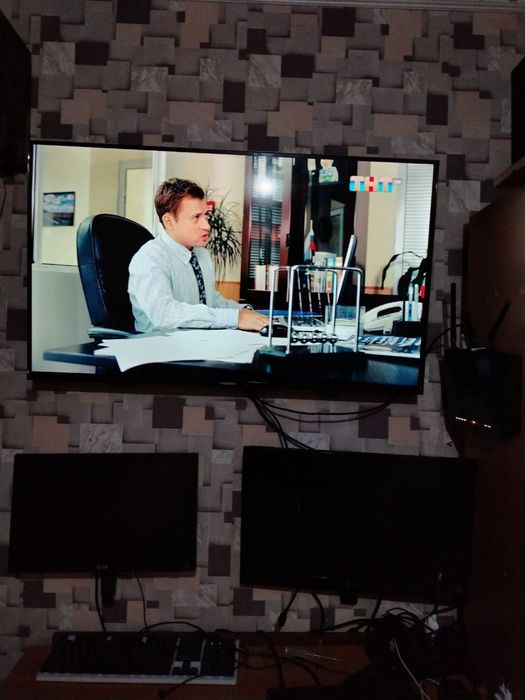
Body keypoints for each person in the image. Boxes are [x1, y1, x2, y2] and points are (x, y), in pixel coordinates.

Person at [128, 178, 269, 333]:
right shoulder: (150, 258)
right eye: (196, 217)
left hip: (199, 341)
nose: (207, 225)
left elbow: (211, 301)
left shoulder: (201, 254)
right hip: (160, 344)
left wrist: (245, 313)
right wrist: (234, 318)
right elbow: (164, 313)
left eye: (206, 215)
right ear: (169, 222)